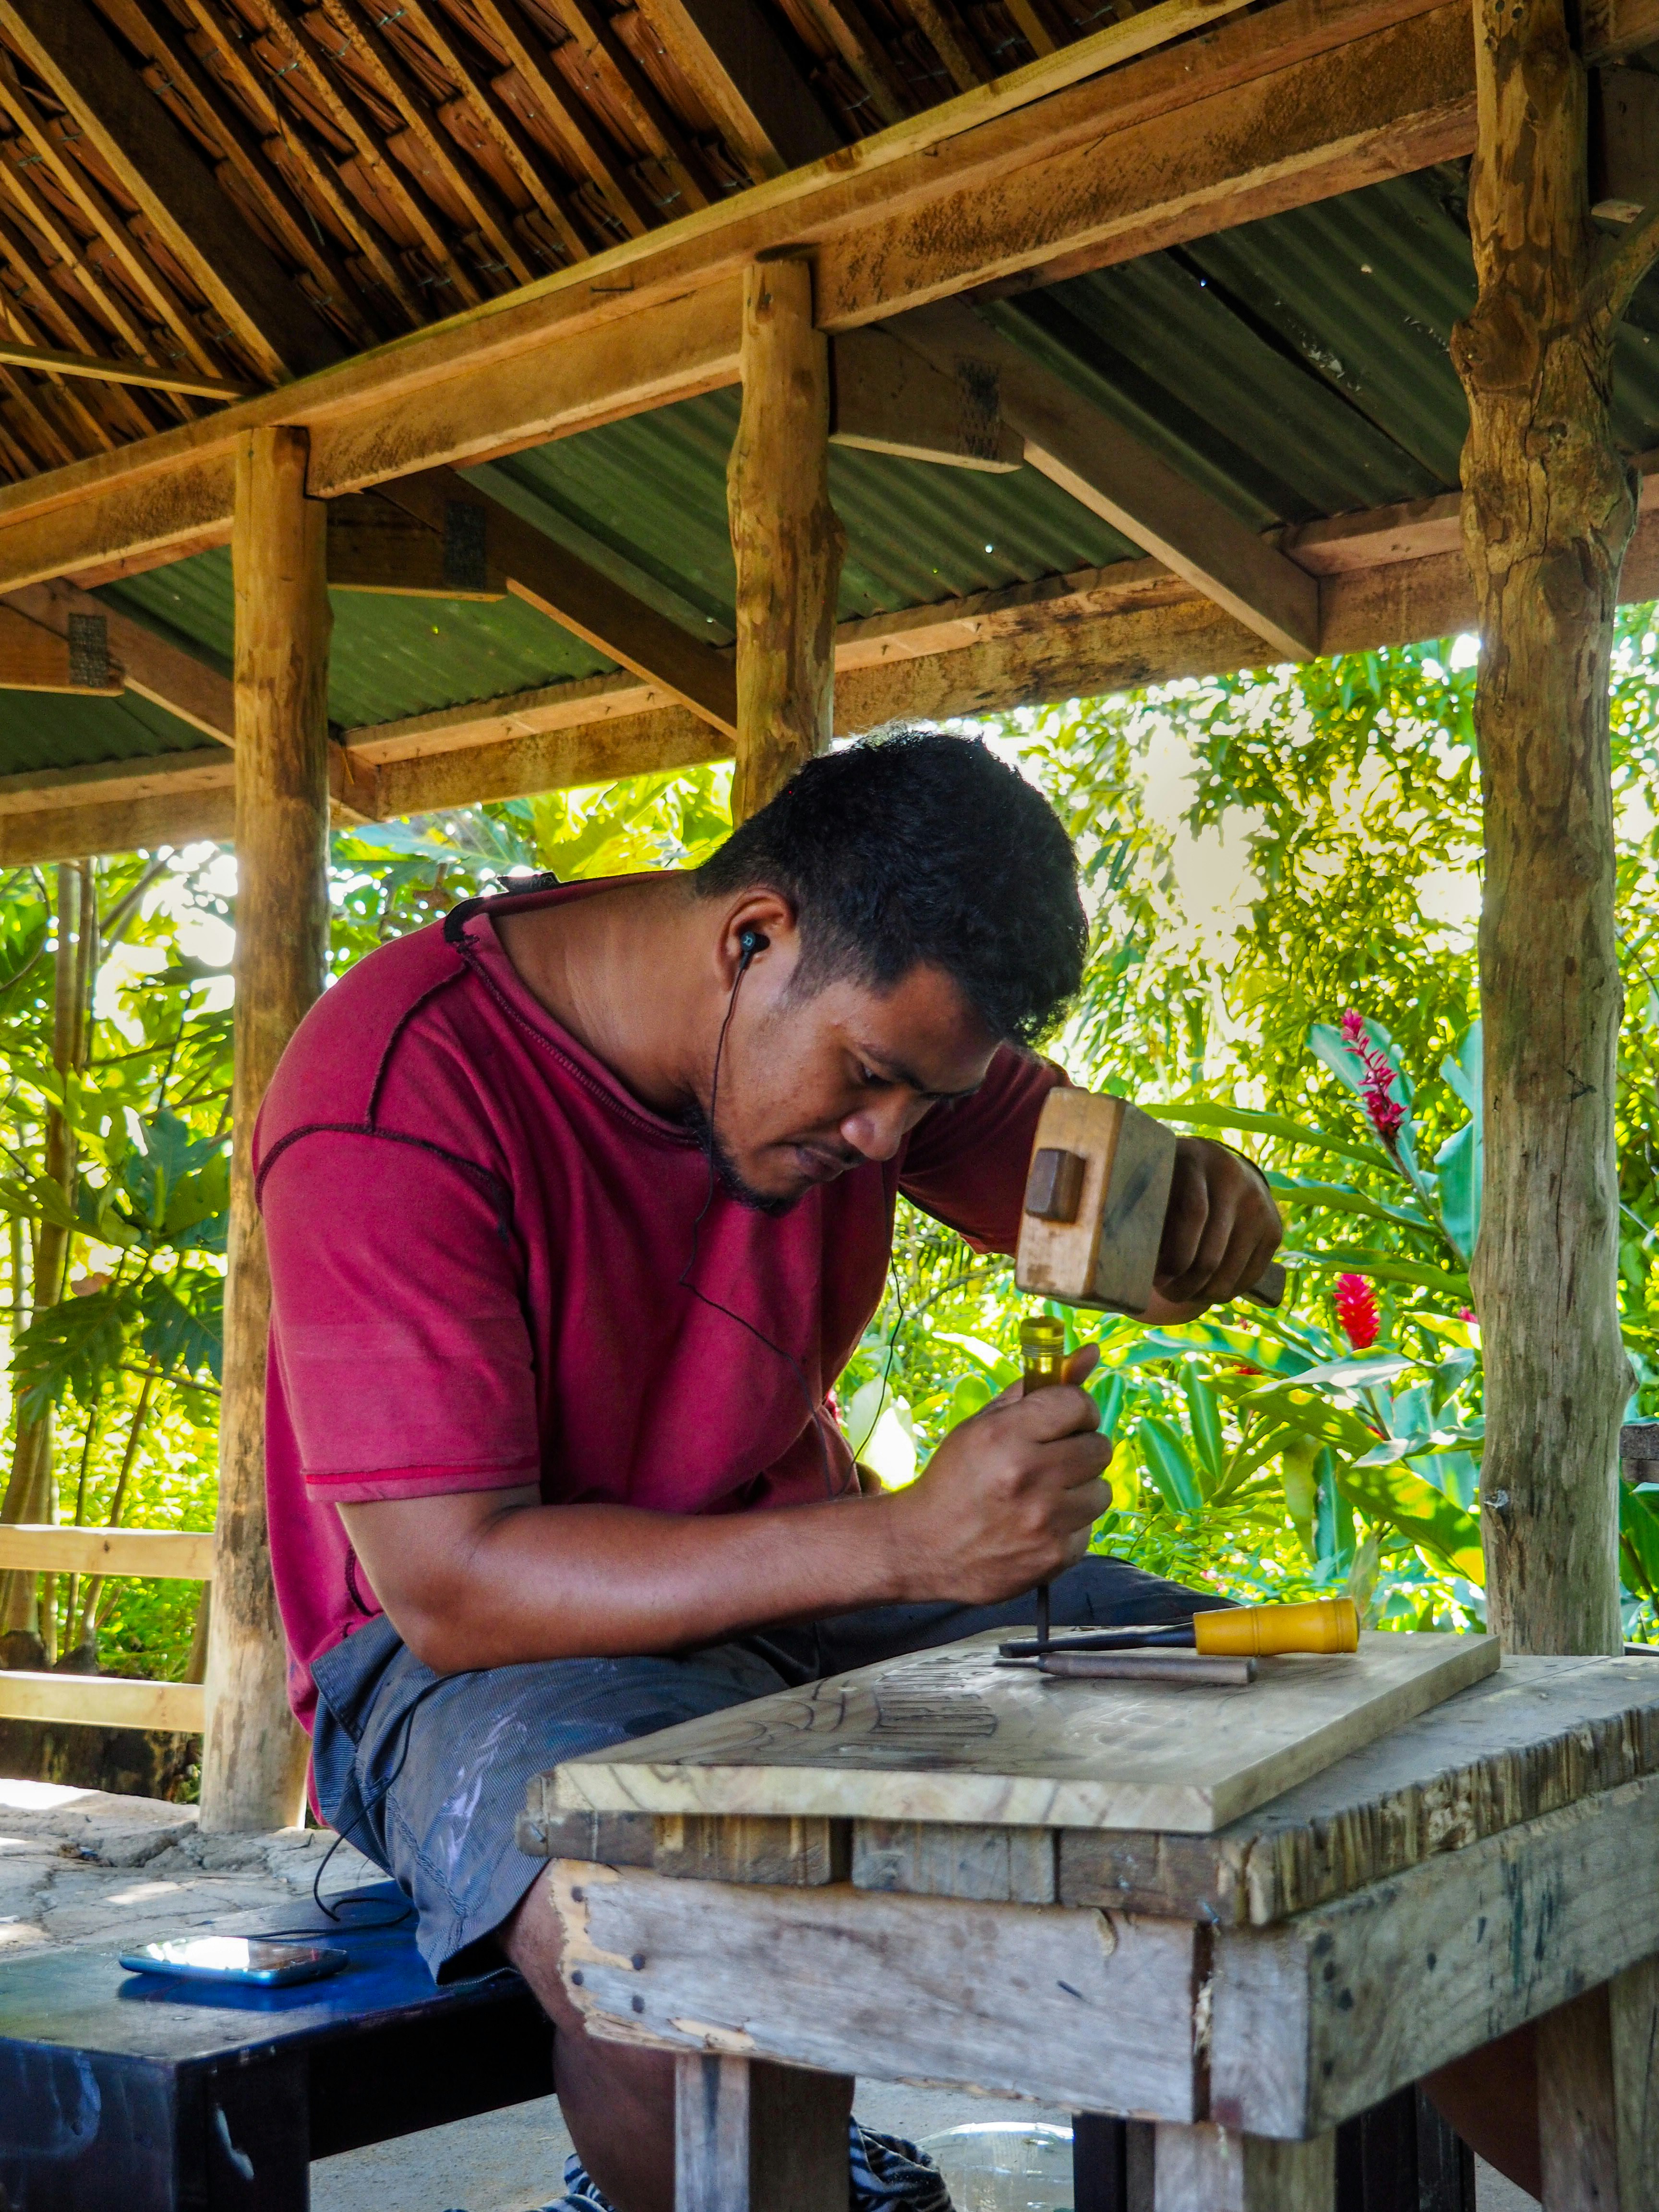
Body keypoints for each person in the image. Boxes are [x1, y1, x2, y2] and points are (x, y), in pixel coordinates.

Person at [259, 729, 1283, 2212]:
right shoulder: (399, 1087)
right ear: (755, 938)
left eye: (926, 1105)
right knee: (692, 1963)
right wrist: (910, 1546)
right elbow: (452, 1588)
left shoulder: (886, 1038)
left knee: (1279, 1736)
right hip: (466, 1660)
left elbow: (1084, 1186)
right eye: (869, 1083)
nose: (888, 1142)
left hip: (800, 1589)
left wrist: (1193, 1209)